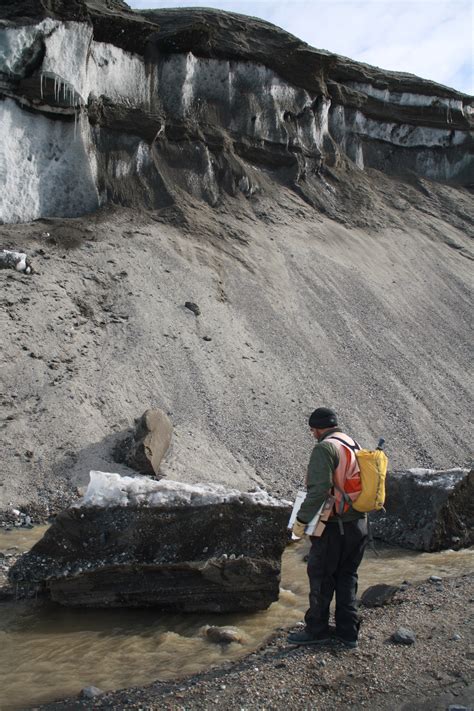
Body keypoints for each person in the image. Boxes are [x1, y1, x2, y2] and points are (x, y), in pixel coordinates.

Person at [287, 407, 368, 649]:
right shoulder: (353, 443)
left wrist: (300, 522)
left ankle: (317, 630)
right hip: (359, 524)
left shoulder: (325, 448)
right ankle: (348, 632)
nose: (312, 434)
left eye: (312, 430)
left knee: (321, 577)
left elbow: (319, 490)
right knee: (347, 577)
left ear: (318, 428)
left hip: (334, 526)